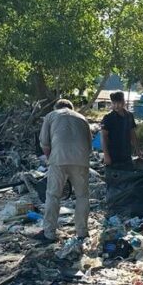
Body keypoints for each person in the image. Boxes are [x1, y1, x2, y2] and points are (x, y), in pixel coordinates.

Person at [34, 99, 92, 244]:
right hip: (81, 160)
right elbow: (89, 146)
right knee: (82, 196)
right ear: (71, 107)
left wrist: (50, 159)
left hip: (58, 159)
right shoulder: (82, 118)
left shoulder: (51, 115)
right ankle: (82, 232)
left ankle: (49, 233)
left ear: (56, 107)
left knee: (53, 195)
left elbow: (45, 144)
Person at [101, 91, 143, 166]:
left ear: (123, 102)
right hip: (113, 155)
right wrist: (106, 156)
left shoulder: (129, 116)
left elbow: (132, 134)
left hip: (126, 154)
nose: (116, 106)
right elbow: (104, 137)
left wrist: (138, 150)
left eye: (118, 103)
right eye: (114, 103)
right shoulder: (108, 117)